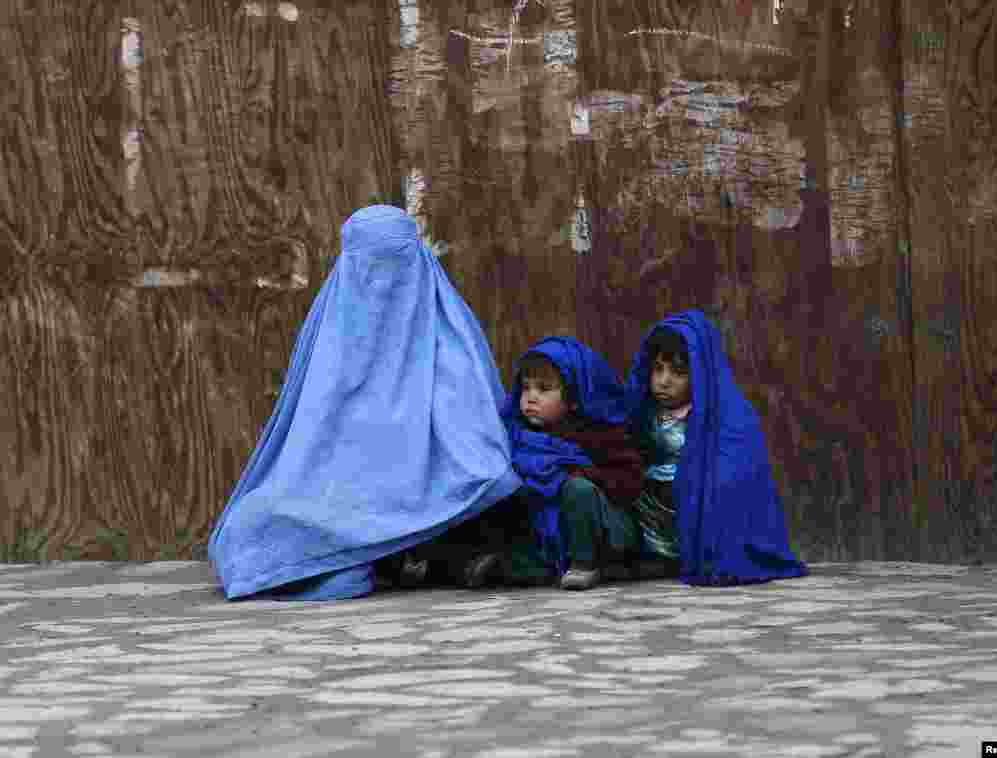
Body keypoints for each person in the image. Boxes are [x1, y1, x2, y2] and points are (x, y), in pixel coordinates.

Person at [206, 205, 523, 600]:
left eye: (395, 264)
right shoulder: (332, 333)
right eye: (369, 265)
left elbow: (478, 448)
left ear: (416, 259)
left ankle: (402, 549)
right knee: (247, 530)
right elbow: (306, 443)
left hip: (428, 491)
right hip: (335, 494)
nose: (382, 283)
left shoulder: (448, 332)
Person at [624, 309, 808, 586]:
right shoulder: (642, 413)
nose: (663, 381)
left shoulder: (729, 417)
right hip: (653, 508)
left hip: (693, 505)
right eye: (657, 369)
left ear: (701, 372)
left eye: (678, 372)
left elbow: (737, 475)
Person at [466, 337, 648, 591]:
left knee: (576, 489)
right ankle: (516, 565)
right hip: (550, 532)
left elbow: (629, 485)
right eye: (526, 388)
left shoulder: (598, 434)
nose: (531, 397)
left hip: (603, 530)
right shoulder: (516, 435)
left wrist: (581, 474)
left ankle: (585, 565)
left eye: (543, 389)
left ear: (573, 398)